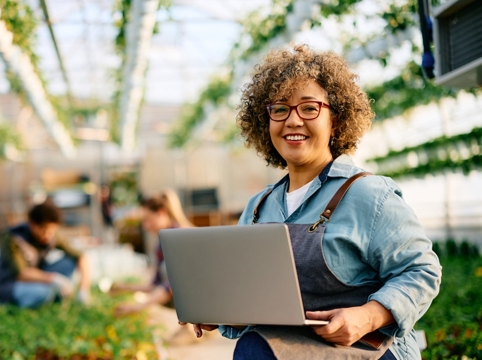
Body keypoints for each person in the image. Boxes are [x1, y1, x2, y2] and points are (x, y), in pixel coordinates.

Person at [182, 45, 442, 360]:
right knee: (252, 347)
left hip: (365, 349)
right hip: (288, 348)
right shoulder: (257, 208)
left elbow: (421, 270)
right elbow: (256, 303)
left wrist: (367, 317)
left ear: (336, 119)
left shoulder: (368, 194)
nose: (292, 121)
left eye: (309, 108)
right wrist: (220, 311)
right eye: (280, 109)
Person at [0, 200, 92, 308]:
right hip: (11, 285)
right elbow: (22, 274)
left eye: (52, 232)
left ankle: (51, 296)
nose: (48, 236)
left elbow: (81, 256)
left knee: (69, 261)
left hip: (37, 278)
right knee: (43, 292)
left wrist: (83, 290)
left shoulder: (50, 235)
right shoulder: (13, 237)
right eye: (44, 231)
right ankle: (34, 301)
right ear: (32, 224)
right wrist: (54, 279)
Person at [112, 189, 194, 316]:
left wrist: (138, 307)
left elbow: (174, 285)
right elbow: (156, 284)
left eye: (148, 219)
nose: (145, 226)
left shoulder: (180, 237)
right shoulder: (162, 242)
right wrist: (124, 288)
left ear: (161, 213)